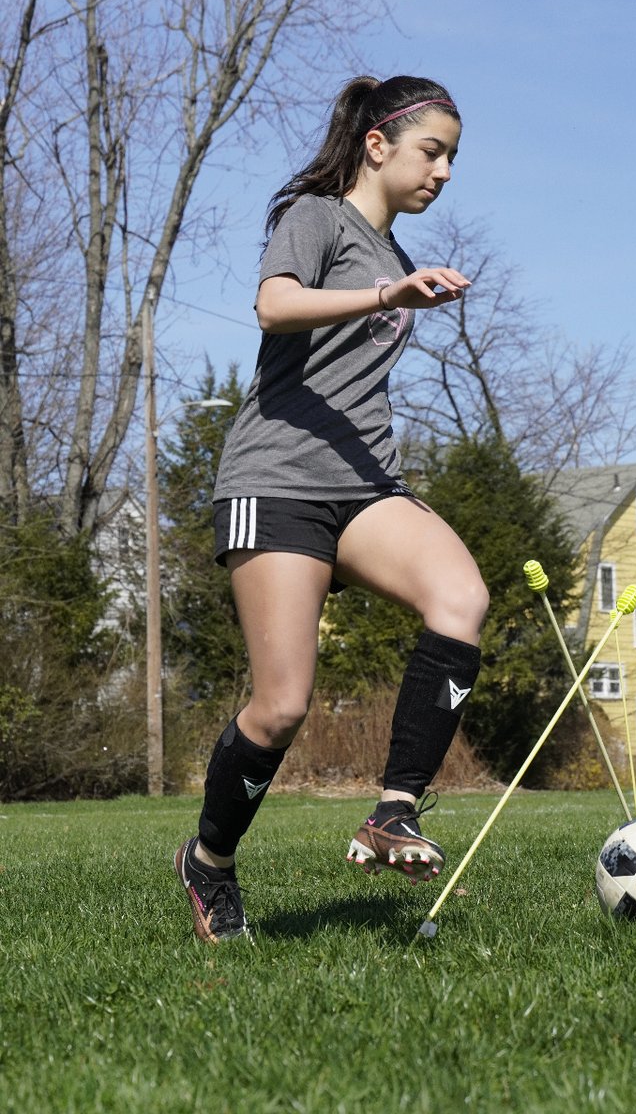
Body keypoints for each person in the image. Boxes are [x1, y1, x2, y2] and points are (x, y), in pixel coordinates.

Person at [174, 75, 490, 943]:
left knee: (461, 598)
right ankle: (209, 862)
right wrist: (389, 296)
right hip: (272, 481)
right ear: (379, 145)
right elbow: (274, 305)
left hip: (362, 487)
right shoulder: (316, 217)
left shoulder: (396, 260)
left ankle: (393, 811)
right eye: (434, 151)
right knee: (280, 707)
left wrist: (397, 289)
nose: (446, 171)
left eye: (454, 157)